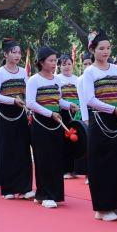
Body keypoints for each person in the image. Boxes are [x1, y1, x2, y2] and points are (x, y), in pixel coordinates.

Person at [81, 31, 117, 222]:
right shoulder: (89, 72)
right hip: (100, 121)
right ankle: (102, 209)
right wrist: (113, 109)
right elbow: (90, 99)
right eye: (101, 48)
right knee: (101, 165)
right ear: (92, 50)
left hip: (116, 121)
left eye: (108, 48)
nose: (105, 51)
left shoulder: (115, 69)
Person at [26, 46, 68, 208]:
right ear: (41, 62)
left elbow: (59, 101)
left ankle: (55, 194)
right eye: (50, 60)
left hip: (56, 123)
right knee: (43, 159)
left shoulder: (57, 80)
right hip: (40, 124)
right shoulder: (33, 80)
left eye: (55, 60)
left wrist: (69, 106)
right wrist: (49, 114)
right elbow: (30, 103)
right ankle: (44, 195)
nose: (54, 63)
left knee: (56, 158)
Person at [0, 38, 33, 200]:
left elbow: (27, 92)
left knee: (22, 150)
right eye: (13, 52)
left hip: (20, 113)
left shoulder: (23, 72)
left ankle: (24, 187)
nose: (17, 55)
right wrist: (12, 100)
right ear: (6, 54)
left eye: (19, 52)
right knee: (6, 150)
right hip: (4, 114)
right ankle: (8, 188)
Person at [55, 55, 83, 179]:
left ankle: (75, 169)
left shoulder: (78, 79)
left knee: (77, 140)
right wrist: (68, 106)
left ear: (73, 65)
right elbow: (58, 99)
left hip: (77, 112)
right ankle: (65, 169)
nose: (67, 67)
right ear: (59, 66)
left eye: (69, 64)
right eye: (64, 64)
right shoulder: (57, 79)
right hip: (64, 112)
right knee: (65, 140)